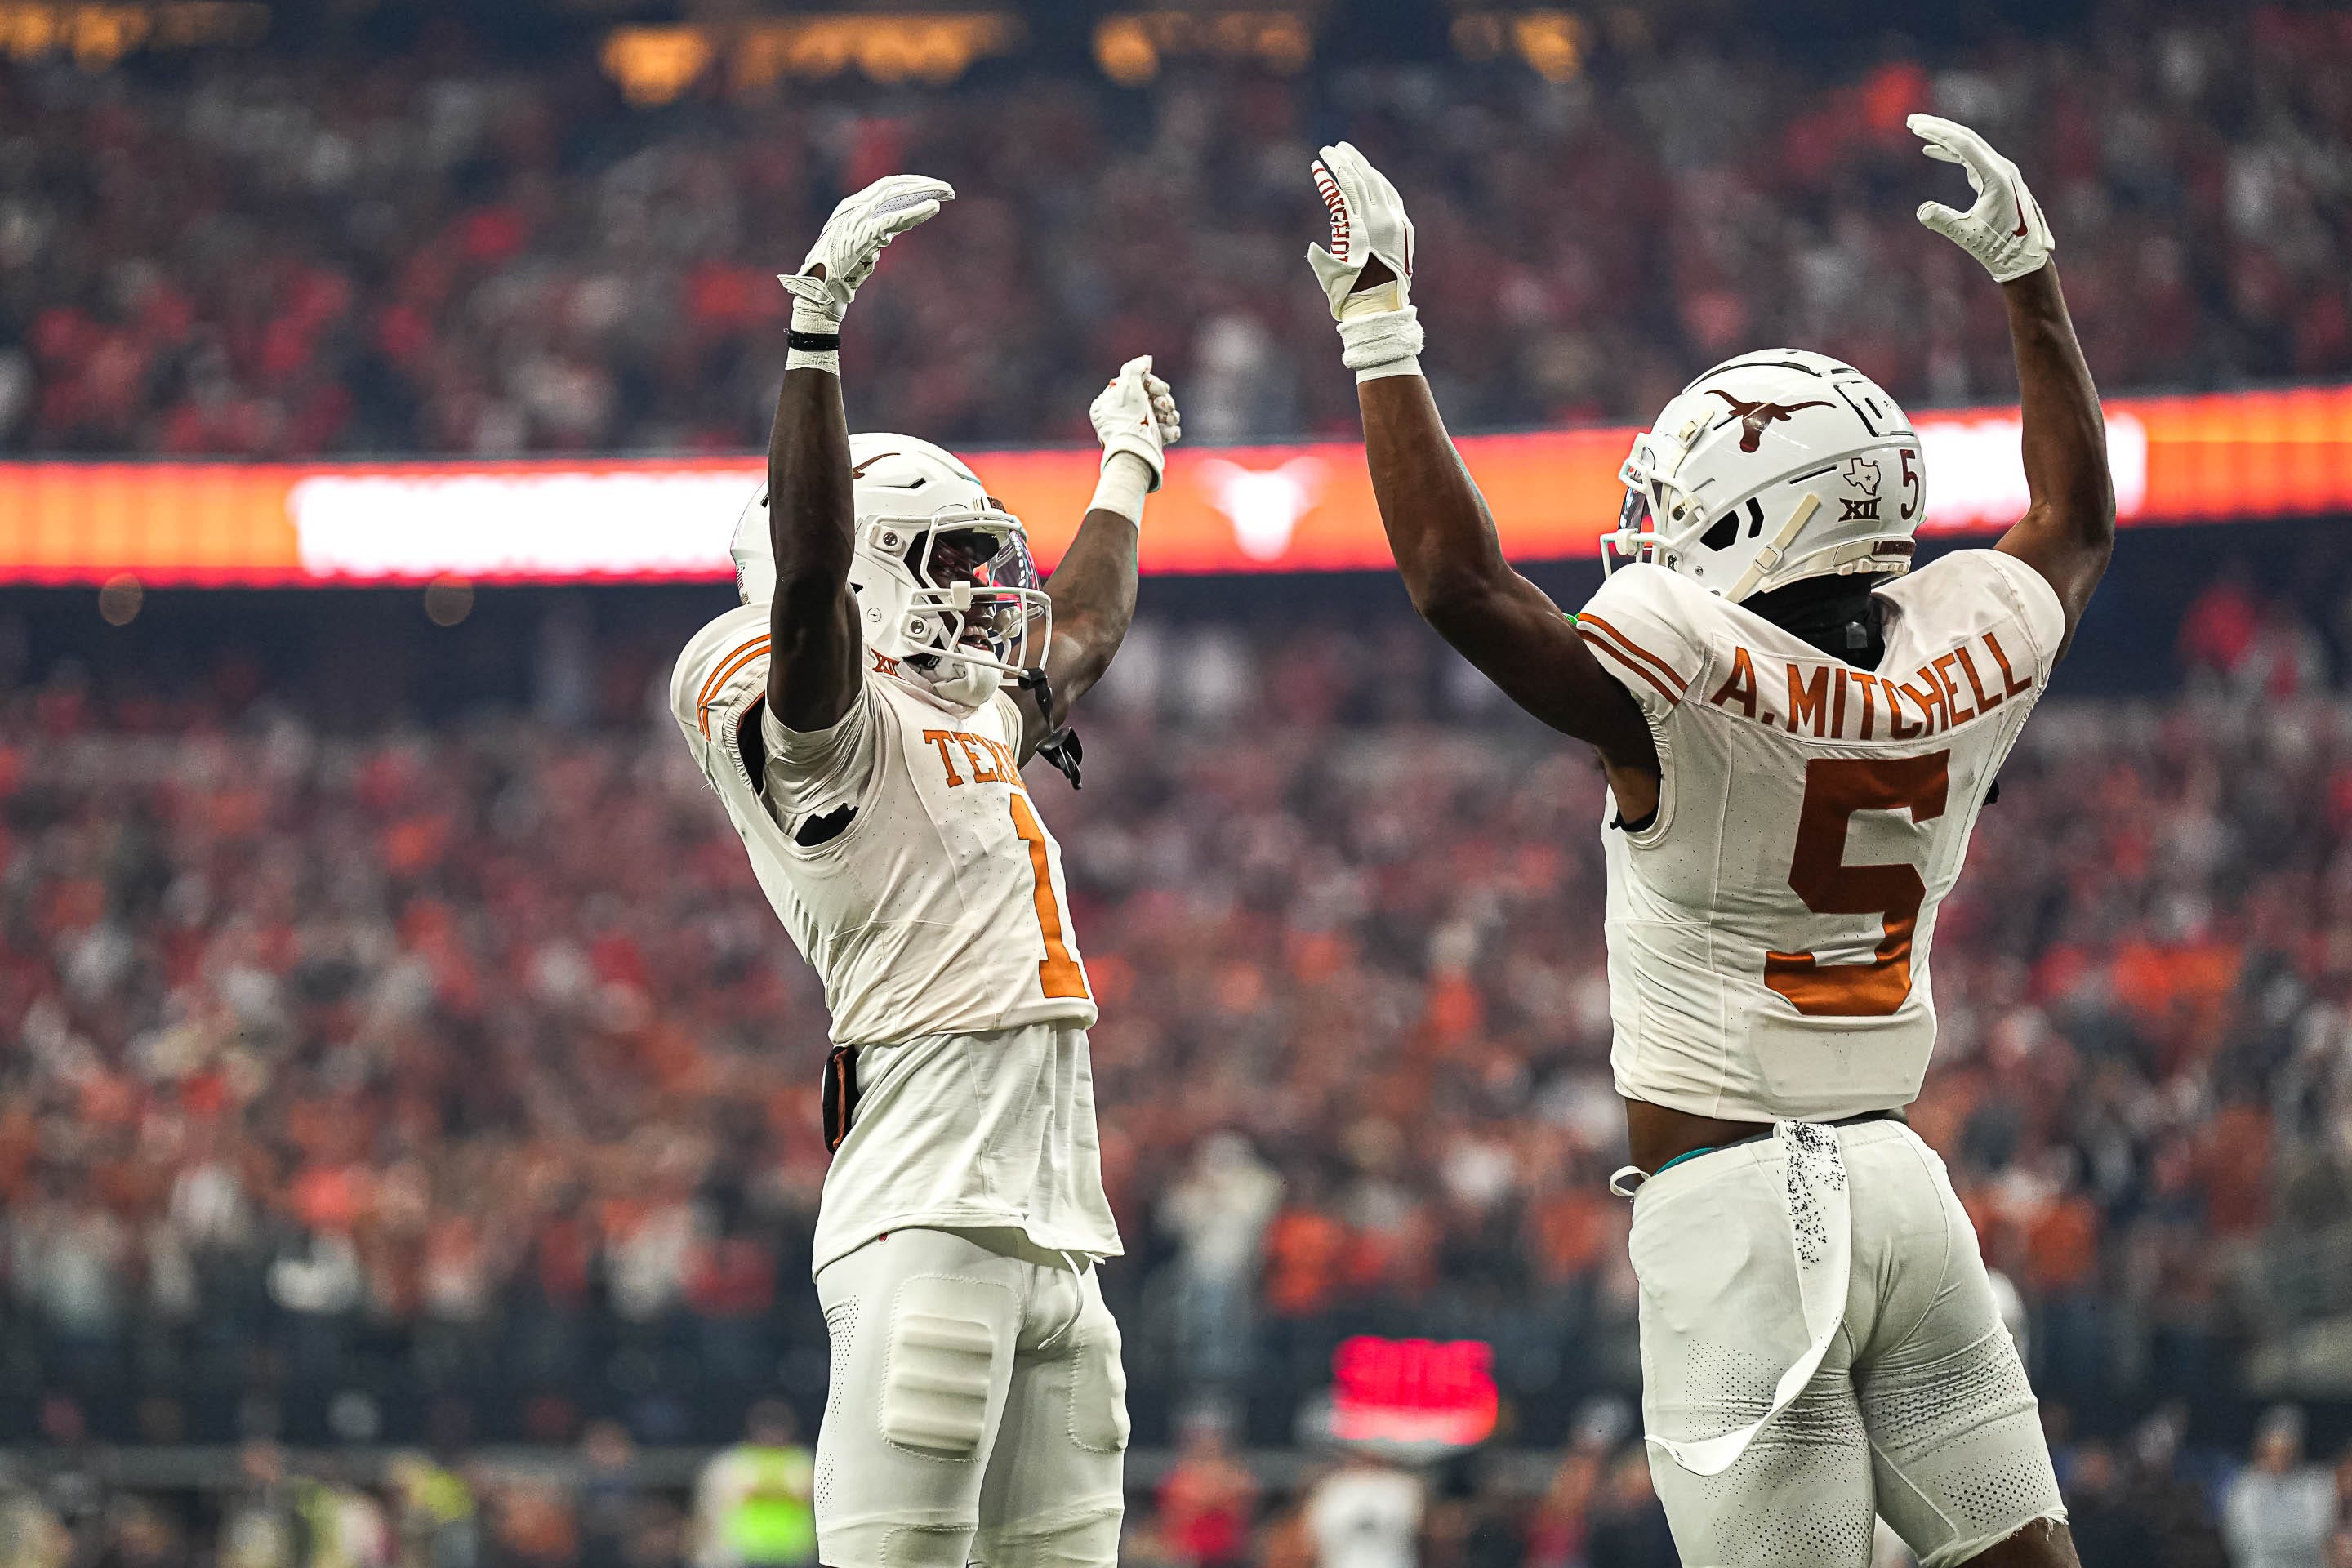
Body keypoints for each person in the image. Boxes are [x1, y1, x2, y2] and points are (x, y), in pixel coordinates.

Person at [1314, 112, 2111, 1568]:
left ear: (1755, 521)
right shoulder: (1963, 647)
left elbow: (1459, 584)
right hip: (1904, 1193)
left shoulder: (1681, 682)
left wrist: (1381, 330)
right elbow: (2074, 516)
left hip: (1737, 1209)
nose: (1655, 536)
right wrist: (2030, 280)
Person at [670, 174, 1182, 1568]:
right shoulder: (814, 718)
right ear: (861, 567)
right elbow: (814, 598)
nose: (987, 590)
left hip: (1054, 1221)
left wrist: (1126, 470)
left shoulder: (958, 721)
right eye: (952, 561)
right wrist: (815, 339)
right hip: (932, 1210)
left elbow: (1073, 641)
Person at [693, 1403, 815, 1568]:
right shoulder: (731, 1464)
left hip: (794, 1554)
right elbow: (708, 1511)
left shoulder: (803, 1462)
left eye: (777, 1425)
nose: (772, 1433)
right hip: (743, 1555)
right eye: (767, 1425)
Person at [2221, 1407, 2332, 1568]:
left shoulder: (2317, 1483)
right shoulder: (2244, 1486)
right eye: (2272, 1453)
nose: (2278, 1461)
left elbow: (2317, 1534)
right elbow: (2244, 1536)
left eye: (2286, 1453)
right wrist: (2290, 1537)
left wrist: (2274, 1537)